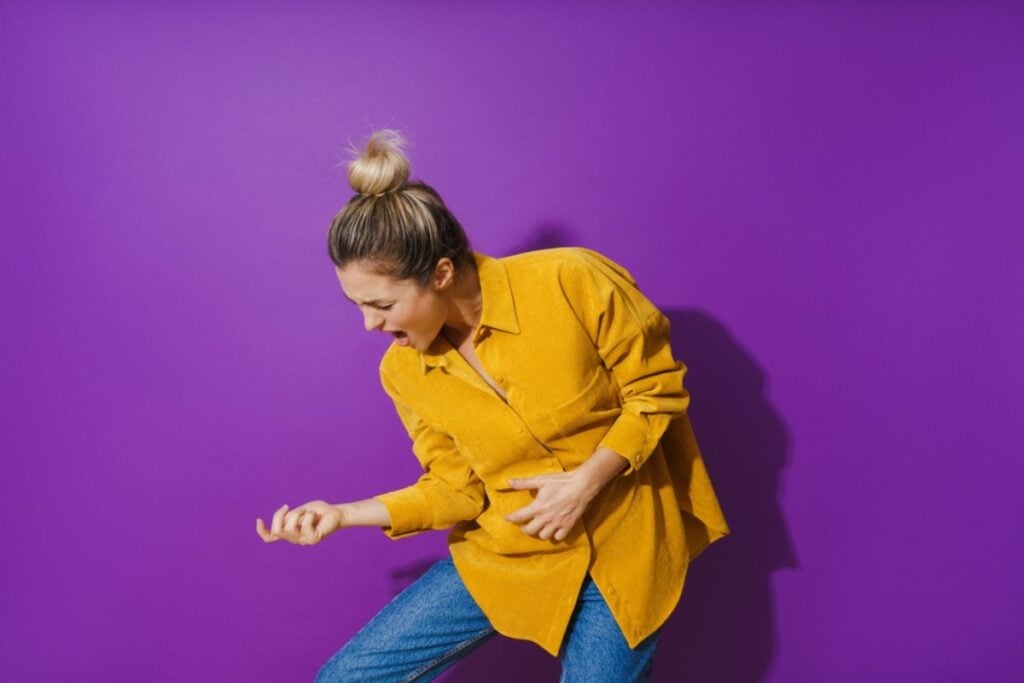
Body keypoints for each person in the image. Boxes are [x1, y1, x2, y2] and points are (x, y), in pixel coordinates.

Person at [256, 130, 729, 682]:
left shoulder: (571, 280)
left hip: (623, 551)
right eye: (357, 305)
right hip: (507, 553)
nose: (370, 324)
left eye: (382, 304)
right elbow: (456, 487)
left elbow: (655, 392)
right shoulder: (403, 369)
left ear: (440, 274)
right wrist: (343, 515)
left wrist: (586, 482)